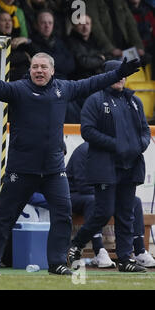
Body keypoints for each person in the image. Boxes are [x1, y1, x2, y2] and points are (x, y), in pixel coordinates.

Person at [0, 44, 141, 275]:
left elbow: (94, 82)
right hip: (21, 168)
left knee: (63, 214)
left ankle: (56, 263)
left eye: (43, 67)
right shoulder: (18, 89)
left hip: (54, 169)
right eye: (35, 66)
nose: (39, 70)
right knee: (5, 215)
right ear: (30, 70)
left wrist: (119, 73)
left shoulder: (64, 89)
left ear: (52, 71)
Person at [68, 60, 151, 273]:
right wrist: (117, 145)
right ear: (107, 76)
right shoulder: (95, 100)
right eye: (116, 73)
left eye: (123, 74)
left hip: (131, 165)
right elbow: (87, 130)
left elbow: (144, 131)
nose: (121, 78)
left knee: (126, 212)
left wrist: (138, 145)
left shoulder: (135, 102)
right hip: (104, 165)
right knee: (104, 211)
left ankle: (124, 259)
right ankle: (77, 244)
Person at [67, 142, 155, 268]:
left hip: (99, 194)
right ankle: (99, 251)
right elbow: (82, 185)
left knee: (134, 201)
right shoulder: (83, 151)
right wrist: (109, 195)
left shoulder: (114, 151)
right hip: (74, 194)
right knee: (94, 200)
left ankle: (140, 251)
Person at [29, 9, 76, 80]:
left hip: (63, 83)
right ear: (36, 25)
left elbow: (71, 65)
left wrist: (50, 62)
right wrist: (60, 59)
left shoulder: (59, 42)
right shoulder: (31, 43)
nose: (47, 26)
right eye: (43, 23)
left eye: (50, 23)